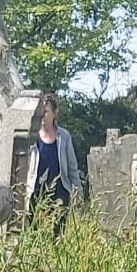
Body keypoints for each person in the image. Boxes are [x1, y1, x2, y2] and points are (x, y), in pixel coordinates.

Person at [24, 93, 82, 234]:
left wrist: (78, 194)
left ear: (55, 113)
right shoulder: (31, 137)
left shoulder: (64, 136)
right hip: (36, 193)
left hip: (59, 194)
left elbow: (72, 169)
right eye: (40, 112)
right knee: (33, 233)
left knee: (57, 235)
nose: (42, 116)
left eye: (46, 112)